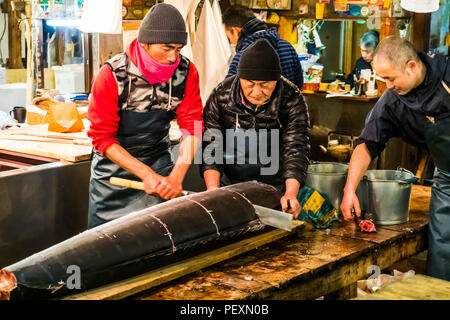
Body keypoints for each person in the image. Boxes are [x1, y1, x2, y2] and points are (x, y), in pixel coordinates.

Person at [340, 36, 450, 281]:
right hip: (447, 180)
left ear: (411, 66)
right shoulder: (392, 101)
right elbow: (366, 144)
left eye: (391, 78)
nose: (387, 85)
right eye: (382, 79)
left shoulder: (447, 75)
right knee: (443, 250)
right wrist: (350, 189)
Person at [87, 4, 203, 229]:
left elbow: (194, 125)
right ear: (144, 43)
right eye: (166, 48)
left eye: (178, 49)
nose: (173, 57)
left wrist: (177, 175)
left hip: (159, 164)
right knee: (106, 247)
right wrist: (144, 173)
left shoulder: (187, 72)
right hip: (112, 177)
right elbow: (102, 139)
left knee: (158, 240)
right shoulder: (111, 75)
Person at [201, 39, 310, 218]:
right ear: (239, 78)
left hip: (276, 187)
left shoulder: (292, 99)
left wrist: (290, 193)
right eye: (250, 84)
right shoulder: (220, 96)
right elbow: (211, 146)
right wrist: (213, 190)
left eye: (265, 85)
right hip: (230, 184)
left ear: (276, 80)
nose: (257, 92)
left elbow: (296, 148)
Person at [222, 5, 303, 89]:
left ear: (236, 31)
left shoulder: (242, 57)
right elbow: (298, 85)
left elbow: (227, 94)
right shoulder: (287, 47)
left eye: (229, 38)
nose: (231, 42)